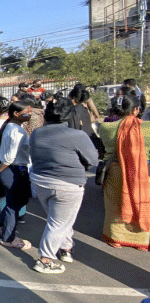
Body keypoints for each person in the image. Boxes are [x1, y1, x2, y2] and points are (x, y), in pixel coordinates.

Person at [29, 98, 98, 274]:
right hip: (68, 185)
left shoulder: (37, 133)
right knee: (59, 222)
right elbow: (92, 160)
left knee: (59, 219)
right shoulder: (77, 135)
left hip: (40, 182)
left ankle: (66, 249)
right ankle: (45, 260)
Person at [98, 95, 150, 250]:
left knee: (114, 204)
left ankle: (115, 238)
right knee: (139, 201)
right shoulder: (147, 128)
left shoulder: (105, 127)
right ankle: (140, 241)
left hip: (115, 170)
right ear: (136, 110)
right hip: (141, 172)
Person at [0, 101, 33, 250]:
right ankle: (8, 238)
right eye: (27, 111)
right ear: (16, 113)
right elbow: (9, 156)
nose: (30, 114)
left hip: (9, 170)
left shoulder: (10, 127)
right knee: (14, 205)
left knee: (17, 202)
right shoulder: (15, 130)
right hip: (13, 170)